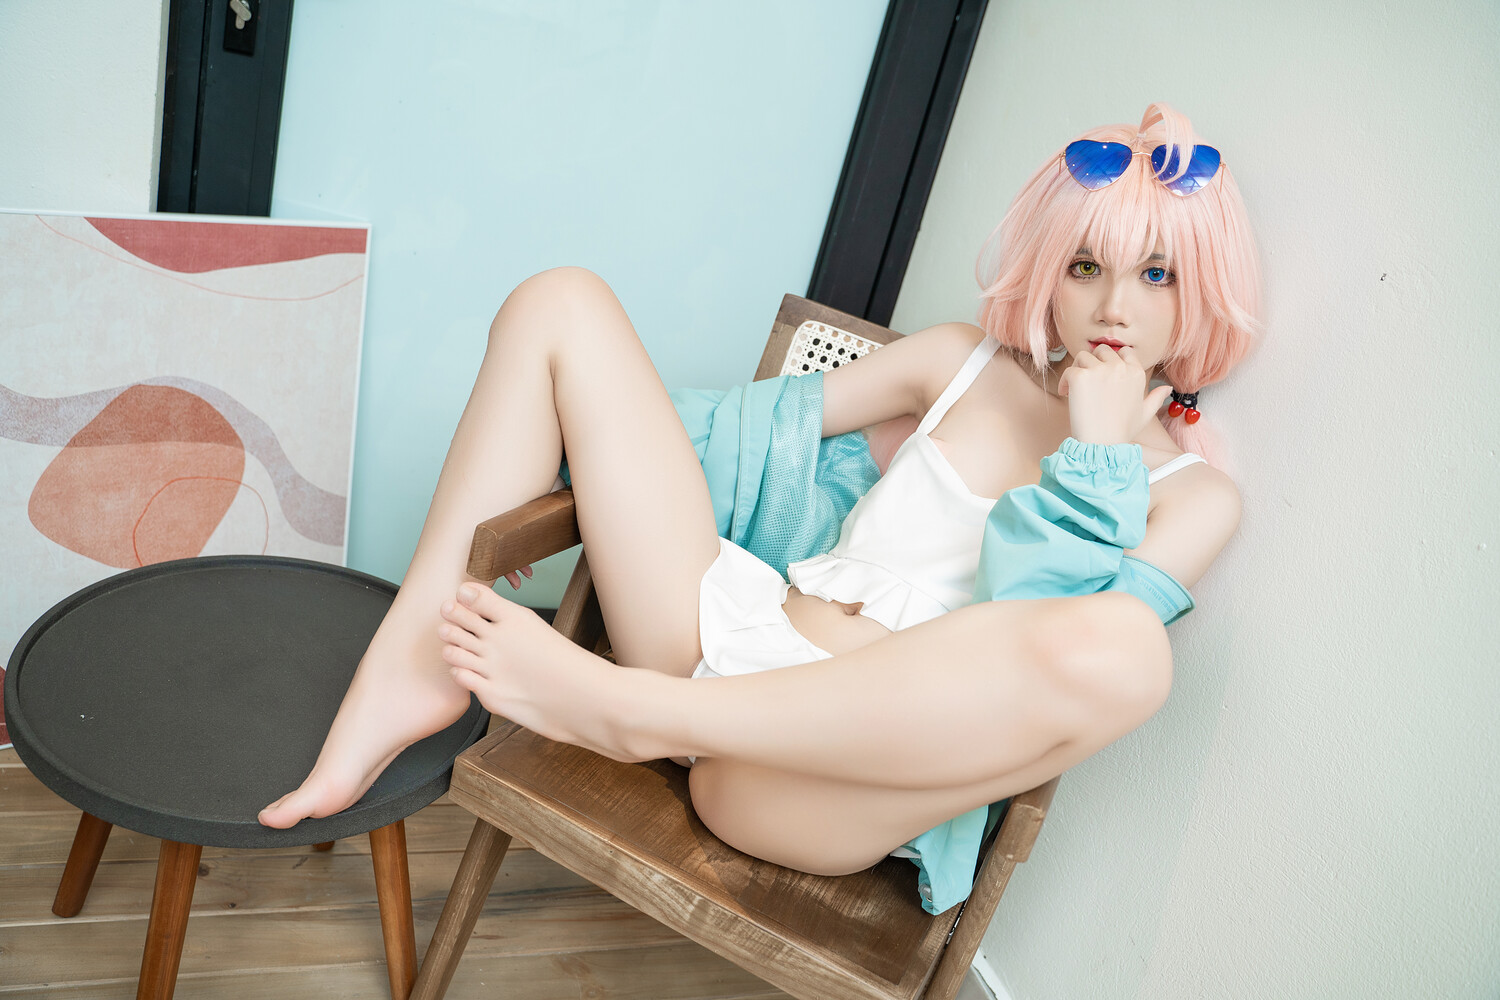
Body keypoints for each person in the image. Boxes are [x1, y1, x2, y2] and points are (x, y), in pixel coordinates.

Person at [259, 102, 1259, 913]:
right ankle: (411, 674)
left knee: (1128, 650)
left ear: (1201, 291)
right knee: (561, 301)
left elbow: (1031, 644)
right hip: (722, 635)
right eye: (1087, 267)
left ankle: (625, 712)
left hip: (812, 777)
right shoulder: (961, 363)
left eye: (1156, 274)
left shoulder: (1194, 496)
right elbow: (736, 430)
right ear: (1050, 271)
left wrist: (1098, 452)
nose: (1114, 306)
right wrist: (554, 464)